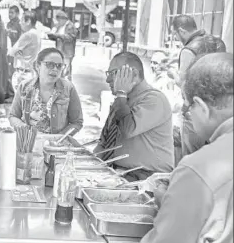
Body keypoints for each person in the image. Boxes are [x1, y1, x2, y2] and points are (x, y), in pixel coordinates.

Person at [140, 52, 233, 243]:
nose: (187, 113)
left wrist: (172, 203)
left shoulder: (198, 169)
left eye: (188, 107)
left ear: (201, 106)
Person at [94, 52, 174, 181]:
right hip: (116, 174)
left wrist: (121, 94)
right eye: (108, 74)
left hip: (146, 179)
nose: (107, 80)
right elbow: (103, 143)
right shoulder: (121, 101)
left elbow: (128, 128)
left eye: (113, 73)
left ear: (134, 75)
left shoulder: (154, 99)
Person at [169, 15, 227, 159]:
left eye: (175, 34)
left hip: (195, 111)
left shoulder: (189, 50)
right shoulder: (218, 43)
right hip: (220, 109)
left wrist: (172, 75)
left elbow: (185, 84)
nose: (176, 38)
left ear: (181, 31)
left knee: (191, 158)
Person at [9, 48, 83, 135]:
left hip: (55, 145)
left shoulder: (68, 88)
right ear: (38, 65)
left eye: (59, 66)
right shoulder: (24, 86)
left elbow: (77, 122)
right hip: (28, 143)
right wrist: (26, 131)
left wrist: (59, 138)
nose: (55, 69)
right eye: (50, 64)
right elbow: (13, 116)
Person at [150, 51, 183, 165]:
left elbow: (172, 105)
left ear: (164, 65)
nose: (152, 66)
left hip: (171, 129)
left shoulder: (168, 80)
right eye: (151, 63)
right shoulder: (155, 79)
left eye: (155, 63)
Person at [8, 10, 42, 91]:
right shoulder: (37, 33)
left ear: (28, 21)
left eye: (22, 20)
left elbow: (11, 52)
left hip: (22, 74)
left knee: (21, 101)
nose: (20, 22)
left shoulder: (28, 35)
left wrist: (17, 53)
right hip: (30, 72)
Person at [48, 10, 77, 81]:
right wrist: (52, 36)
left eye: (58, 21)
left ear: (63, 19)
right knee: (60, 72)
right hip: (60, 52)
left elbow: (70, 37)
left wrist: (58, 35)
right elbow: (57, 37)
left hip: (67, 53)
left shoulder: (70, 26)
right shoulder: (60, 26)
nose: (57, 22)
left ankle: (67, 87)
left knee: (66, 72)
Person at [6, 6, 23, 99]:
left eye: (12, 12)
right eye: (9, 12)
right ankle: (10, 93)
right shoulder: (8, 24)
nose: (10, 14)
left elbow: (21, 40)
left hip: (16, 54)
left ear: (17, 14)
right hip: (9, 52)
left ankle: (13, 95)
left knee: (14, 74)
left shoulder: (20, 25)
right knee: (9, 73)